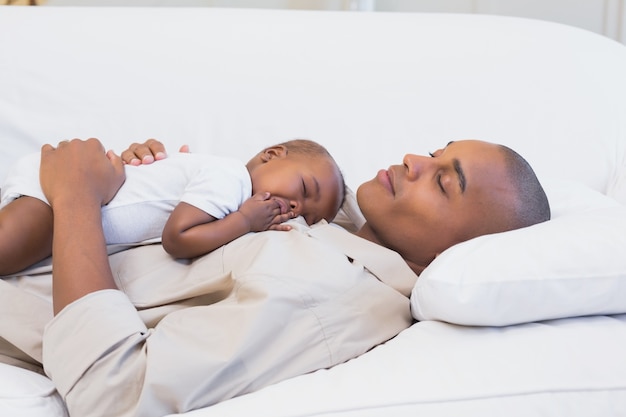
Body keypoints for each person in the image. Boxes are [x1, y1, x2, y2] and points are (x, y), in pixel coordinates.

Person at [1, 137, 549, 417]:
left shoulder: (330, 295)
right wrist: (148, 183)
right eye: (434, 152)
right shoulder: (327, 227)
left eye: (445, 181)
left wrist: (76, 196)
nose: (412, 160)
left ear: (458, 254)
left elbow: (115, 392)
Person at [0, 138, 345, 276]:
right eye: (303, 188)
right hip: (56, 195)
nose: (297, 207)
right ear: (271, 155)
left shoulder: (220, 188)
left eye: (307, 215)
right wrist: (244, 221)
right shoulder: (230, 177)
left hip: (70, 204)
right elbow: (177, 238)